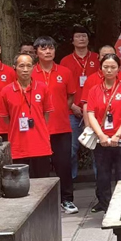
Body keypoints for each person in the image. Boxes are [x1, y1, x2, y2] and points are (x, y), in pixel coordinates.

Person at [84, 53, 121, 214]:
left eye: (113, 67)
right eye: (105, 67)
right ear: (100, 68)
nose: (109, 70)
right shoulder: (94, 90)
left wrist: (117, 135)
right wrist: (101, 135)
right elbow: (91, 114)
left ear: (119, 68)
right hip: (101, 138)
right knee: (103, 173)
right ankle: (105, 204)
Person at [31, 36, 78, 214]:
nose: (48, 51)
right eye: (43, 48)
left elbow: (71, 96)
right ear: (36, 52)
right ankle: (43, 203)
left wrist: (60, 109)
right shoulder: (30, 72)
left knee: (64, 164)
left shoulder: (65, 72)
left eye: (50, 48)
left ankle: (67, 200)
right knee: (40, 166)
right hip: (38, 129)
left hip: (61, 126)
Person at [0, 53, 53, 177]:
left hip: (40, 146)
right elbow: (5, 118)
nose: (25, 69)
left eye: (28, 66)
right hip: (18, 147)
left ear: (33, 67)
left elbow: (46, 114)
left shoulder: (43, 88)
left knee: (43, 183)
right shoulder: (6, 91)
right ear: (14, 67)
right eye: (21, 66)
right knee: (20, 184)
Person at [60, 25, 100, 182]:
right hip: (73, 110)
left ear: (88, 39)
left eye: (84, 36)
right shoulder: (65, 61)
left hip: (95, 111)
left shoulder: (97, 59)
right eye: (78, 36)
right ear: (72, 41)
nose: (81, 39)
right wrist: (72, 106)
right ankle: (71, 180)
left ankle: (100, 180)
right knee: (71, 149)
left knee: (97, 148)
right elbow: (62, 88)